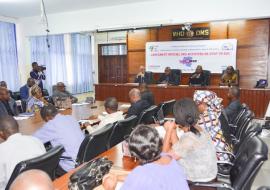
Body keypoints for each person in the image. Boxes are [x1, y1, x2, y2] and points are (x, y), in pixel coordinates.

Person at [102, 125, 189, 190]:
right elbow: (137, 176)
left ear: (134, 154)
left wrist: (109, 187)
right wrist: (116, 177)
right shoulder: (168, 158)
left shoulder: (141, 174)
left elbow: (139, 176)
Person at [162, 98, 217, 182]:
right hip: (207, 174)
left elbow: (164, 159)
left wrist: (168, 131)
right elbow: (179, 147)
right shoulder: (198, 128)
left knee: (158, 170)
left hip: (198, 180)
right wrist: (173, 131)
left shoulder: (189, 138)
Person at [33, 104, 84, 172]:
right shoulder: (71, 117)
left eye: (45, 120)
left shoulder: (51, 125)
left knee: (45, 164)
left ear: (47, 118)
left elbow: (33, 140)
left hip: (71, 164)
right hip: (84, 157)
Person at [0, 116, 46, 188]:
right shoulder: (36, 140)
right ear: (18, 127)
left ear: (1, 133)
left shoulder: (1, 150)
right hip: (43, 184)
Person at [193, 90, 232, 161]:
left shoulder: (210, 115)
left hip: (220, 155)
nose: (196, 107)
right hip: (225, 147)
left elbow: (197, 131)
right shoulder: (214, 110)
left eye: (197, 104)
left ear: (204, 103)